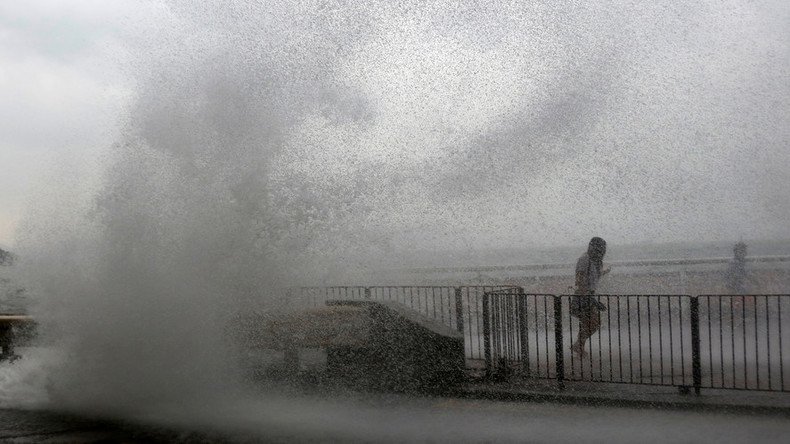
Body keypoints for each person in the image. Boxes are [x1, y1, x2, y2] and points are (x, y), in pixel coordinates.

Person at [570, 237, 610, 357]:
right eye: (601, 248)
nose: (602, 251)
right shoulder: (584, 260)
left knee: (588, 323)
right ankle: (578, 346)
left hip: (588, 296)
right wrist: (592, 299)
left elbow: (592, 276)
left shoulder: (595, 261)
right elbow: (579, 280)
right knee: (593, 323)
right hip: (582, 297)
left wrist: (604, 271)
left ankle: (579, 347)